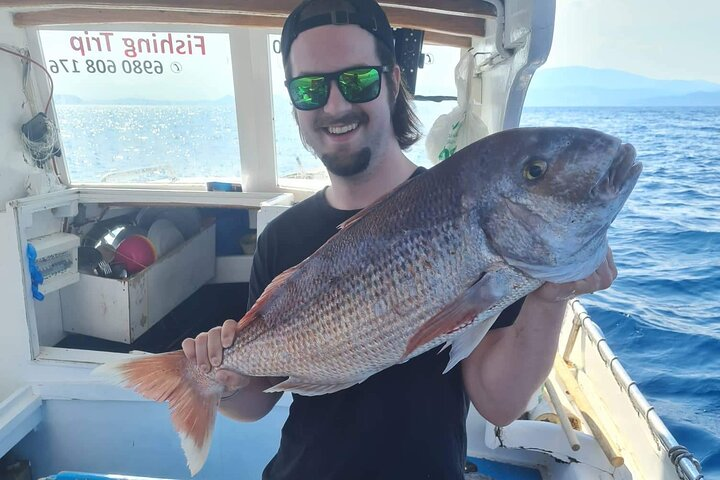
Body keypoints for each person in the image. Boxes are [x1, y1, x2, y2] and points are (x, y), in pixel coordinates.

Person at [181, 0, 618, 478]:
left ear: (391, 80)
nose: (335, 104)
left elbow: (499, 403)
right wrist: (216, 381)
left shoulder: (470, 216)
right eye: (310, 88)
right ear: (295, 103)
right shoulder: (282, 236)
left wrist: (550, 300)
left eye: (357, 80)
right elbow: (255, 401)